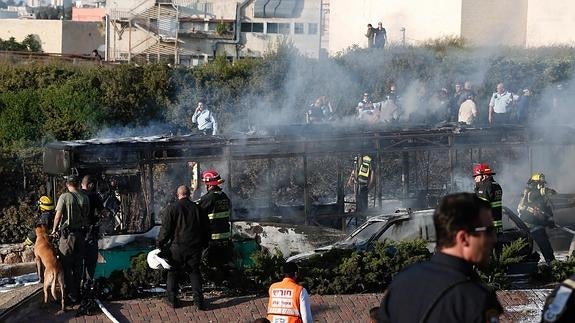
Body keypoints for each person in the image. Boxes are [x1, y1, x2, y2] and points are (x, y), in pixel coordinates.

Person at [378, 193, 503, 322]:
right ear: (463, 238)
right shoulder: (474, 298)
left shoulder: (402, 283)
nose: (494, 238)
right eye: (488, 231)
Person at [157, 185, 210, 310]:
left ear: (178, 194)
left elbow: (166, 230)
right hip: (195, 247)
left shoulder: (171, 209)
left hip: (177, 248)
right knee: (194, 272)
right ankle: (198, 301)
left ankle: (172, 299)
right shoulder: (198, 209)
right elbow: (206, 229)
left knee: (173, 273)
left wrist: (159, 243)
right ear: (189, 194)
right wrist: (205, 244)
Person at [51, 175, 90, 305]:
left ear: (67, 184)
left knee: (66, 265)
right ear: (78, 184)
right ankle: (77, 293)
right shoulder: (85, 197)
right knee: (79, 265)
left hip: (68, 237)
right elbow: (87, 216)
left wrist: (54, 230)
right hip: (81, 236)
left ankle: (69, 294)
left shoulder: (64, 197)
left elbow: (58, 216)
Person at [197, 170, 233, 276]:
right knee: (224, 264)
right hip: (225, 237)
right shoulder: (224, 197)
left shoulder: (209, 198)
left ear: (208, 184)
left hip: (212, 238)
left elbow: (196, 210)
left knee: (209, 264)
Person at [517, 172, 557, 264]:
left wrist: (549, 221)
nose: (542, 185)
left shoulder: (541, 196)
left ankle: (552, 263)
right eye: (541, 183)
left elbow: (546, 209)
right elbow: (522, 207)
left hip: (537, 223)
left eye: (543, 183)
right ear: (535, 183)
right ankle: (550, 263)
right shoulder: (529, 192)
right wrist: (533, 210)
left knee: (545, 245)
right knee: (533, 246)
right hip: (529, 224)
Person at [80, 175, 104, 290]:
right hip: (90, 233)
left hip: (77, 234)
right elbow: (103, 212)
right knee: (90, 260)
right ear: (90, 185)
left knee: (79, 261)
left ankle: (78, 285)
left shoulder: (75, 195)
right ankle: (87, 285)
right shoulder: (93, 196)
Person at [473, 163, 503, 233]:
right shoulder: (496, 185)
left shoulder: (485, 187)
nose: (475, 178)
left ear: (484, 175)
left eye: (476, 176)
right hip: (497, 227)